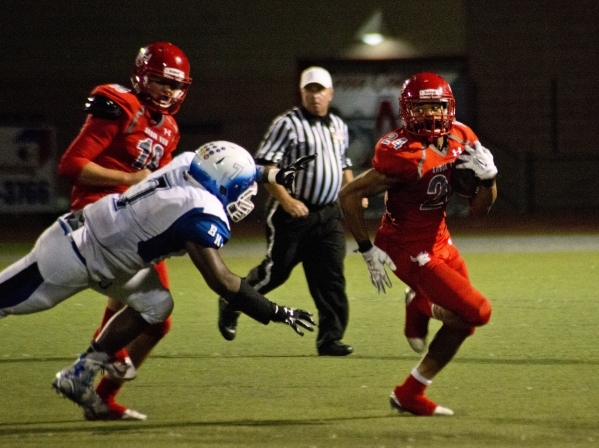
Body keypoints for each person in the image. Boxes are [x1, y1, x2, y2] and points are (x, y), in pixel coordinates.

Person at [0, 141, 316, 418]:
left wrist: (272, 174)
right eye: (245, 186)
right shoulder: (200, 211)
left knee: (156, 304)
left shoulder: (189, 162)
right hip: (75, 252)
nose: (249, 193)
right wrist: (276, 311)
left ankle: (80, 374)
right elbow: (223, 281)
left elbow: (230, 168)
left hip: (114, 257)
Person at [339, 72, 497, 416]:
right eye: (421, 107)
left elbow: (479, 209)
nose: (430, 114)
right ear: (407, 111)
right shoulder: (402, 152)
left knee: (465, 321)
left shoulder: (462, 137)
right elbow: (349, 196)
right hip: (405, 246)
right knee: (478, 311)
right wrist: (367, 250)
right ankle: (422, 305)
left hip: (440, 239)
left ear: (449, 107)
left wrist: (489, 180)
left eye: (437, 106)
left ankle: (409, 394)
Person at [56, 42, 192, 420]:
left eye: (175, 85)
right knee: (154, 315)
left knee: (147, 315)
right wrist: (129, 178)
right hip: (101, 216)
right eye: (160, 81)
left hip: (136, 220)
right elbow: (70, 165)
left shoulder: (170, 128)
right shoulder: (120, 105)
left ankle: (98, 392)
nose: (168, 91)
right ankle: (100, 368)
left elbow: (158, 181)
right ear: (142, 77)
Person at [217, 66, 355, 356]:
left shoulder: (338, 126)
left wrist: (353, 193)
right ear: (302, 93)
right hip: (292, 213)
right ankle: (233, 300)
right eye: (310, 90)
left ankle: (330, 339)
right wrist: (287, 200)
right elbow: (266, 166)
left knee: (331, 277)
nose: (315, 96)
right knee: (275, 273)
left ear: (331, 93)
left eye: (320, 90)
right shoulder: (288, 123)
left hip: (328, 214)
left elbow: (344, 164)